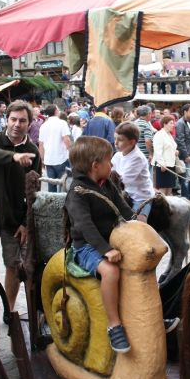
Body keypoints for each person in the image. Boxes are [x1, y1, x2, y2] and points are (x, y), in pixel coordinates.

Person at [65, 137, 136, 352]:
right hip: (87, 246)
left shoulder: (106, 183)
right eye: (108, 160)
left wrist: (138, 224)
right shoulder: (78, 192)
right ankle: (113, 325)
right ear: (95, 165)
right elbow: (84, 225)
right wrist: (106, 250)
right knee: (111, 272)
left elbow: (124, 208)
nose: (112, 164)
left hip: (111, 239)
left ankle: (146, 315)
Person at [0, 101, 42, 312]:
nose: (17, 124)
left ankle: (9, 309)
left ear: (29, 124)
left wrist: (25, 222)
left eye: (22, 120)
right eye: (13, 119)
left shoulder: (32, 151)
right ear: (6, 120)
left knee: (13, 266)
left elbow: (35, 192)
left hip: (13, 219)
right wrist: (14, 156)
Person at [112, 122, 154, 222]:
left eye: (120, 140)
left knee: (137, 224)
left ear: (132, 142)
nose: (116, 143)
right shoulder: (118, 155)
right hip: (126, 193)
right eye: (115, 139)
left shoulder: (138, 158)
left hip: (140, 196)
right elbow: (110, 170)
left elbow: (124, 180)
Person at [39, 104, 72, 193]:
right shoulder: (62, 123)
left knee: (51, 186)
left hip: (48, 160)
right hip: (61, 158)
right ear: (56, 111)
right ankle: (63, 206)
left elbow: (41, 144)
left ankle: (52, 205)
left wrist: (42, 159)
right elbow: (66, 139)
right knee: (64, 185)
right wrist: (72, 152)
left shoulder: (43, 126)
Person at [175, 104, 190, 202]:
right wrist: (186, 155)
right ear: (185, 112)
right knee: (186, 177)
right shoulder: (180, 123)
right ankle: (186, 197)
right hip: (187, 154)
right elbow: (180, 140)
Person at [152, 116, 178, 196]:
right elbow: (157, 151)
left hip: (171, 164)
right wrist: (162, 163)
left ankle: (168, 207)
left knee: (169, 188)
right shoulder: (159, 134)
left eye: (173, 123)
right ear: (164, 124)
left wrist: (175, 151)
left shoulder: (169, 134)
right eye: (171, 123)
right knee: (163, 190)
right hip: (162, 166)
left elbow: (170, 147)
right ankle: (161, 207)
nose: (173, 125)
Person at [134, 105, 155, 172]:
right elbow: (147, 141)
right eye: (151, 113)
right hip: (144, 155)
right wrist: (150, 154)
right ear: (148, 114)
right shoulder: (146, 125)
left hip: (136, 154)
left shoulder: (135, 123)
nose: (151, 115)